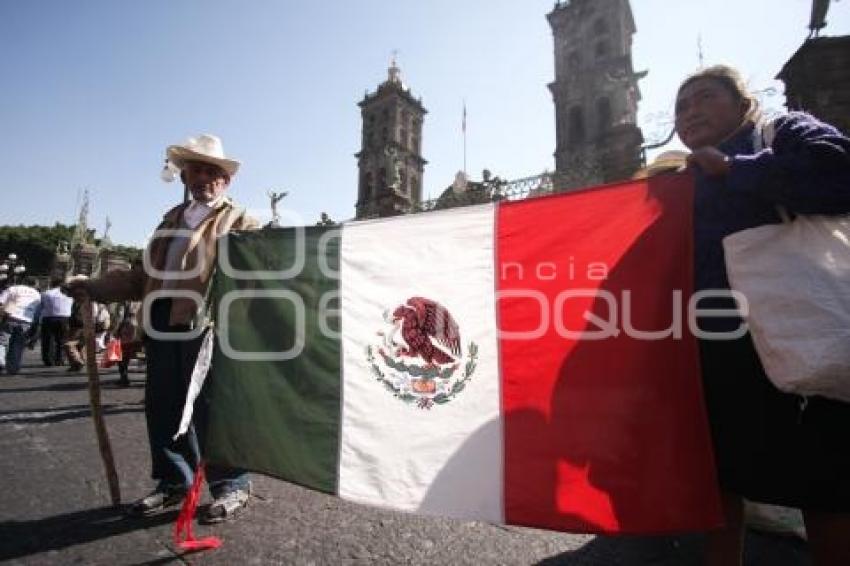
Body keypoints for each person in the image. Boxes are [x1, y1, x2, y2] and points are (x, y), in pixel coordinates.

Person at [673, 65, 850, 565]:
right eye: (681, 108)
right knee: (721, 478)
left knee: (827, 486)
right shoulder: (679, 180)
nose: (690, 113)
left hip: (803, 341)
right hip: (720, 345)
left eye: (704, 97)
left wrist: (735, 170)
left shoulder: (784, 131)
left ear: (742, 103)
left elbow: (841, 172)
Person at [67, 134, 258, 523]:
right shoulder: (168, 221)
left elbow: (262, 269)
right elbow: (141, 277)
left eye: (212, 171)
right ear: (185, 175)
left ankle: (232, 484)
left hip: (207, 324)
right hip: (160, 320)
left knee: (209, 407)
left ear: (226, 180)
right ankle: (175, 481)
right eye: (196, 169)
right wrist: (94, 287)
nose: (203, 177)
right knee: (163, 405)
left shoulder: (241, 221)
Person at [0, 277, 42, 375]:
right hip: (26, 321)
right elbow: (37, 312)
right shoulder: (37, 294)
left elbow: (1, 302)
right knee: (18, 345)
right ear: (35, 284)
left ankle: (1, 360)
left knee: (2, 341)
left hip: (10, 317)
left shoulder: (13, 288)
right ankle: (13, 368)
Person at [39, 277, 73, 366]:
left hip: (48, 318)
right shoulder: (68, 294)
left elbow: (41, 306)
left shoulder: (46, 293)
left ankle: (48, 359)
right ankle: (60, 359)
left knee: (48, 340)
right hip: (65, 318)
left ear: (52, 284)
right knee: (61, 340)